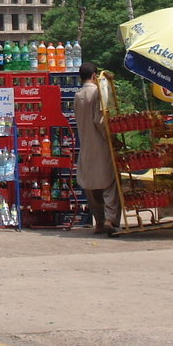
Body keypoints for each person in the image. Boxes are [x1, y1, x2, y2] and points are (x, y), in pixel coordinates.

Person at [75, 62, 120, 235]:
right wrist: (113, 138)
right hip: (101, 145)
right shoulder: (97, 93)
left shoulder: (78, 95)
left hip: (85, 145)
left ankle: (99, 221)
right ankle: (110, 219)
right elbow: (100, 121)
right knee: (109, 184)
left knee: (91, 186)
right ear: (95, 76)